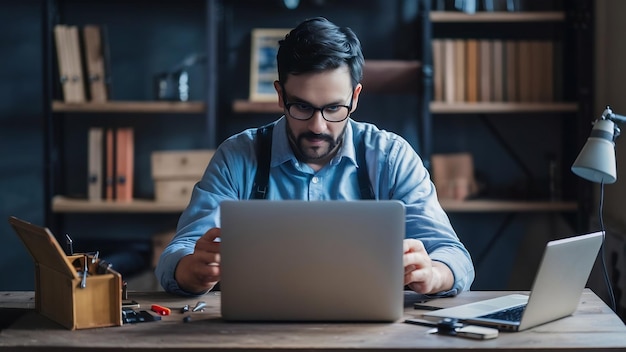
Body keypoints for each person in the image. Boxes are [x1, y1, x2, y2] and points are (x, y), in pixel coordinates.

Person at [156, 16, 475, 296]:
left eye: (334, 108)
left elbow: (454, 255)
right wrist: (192, 270)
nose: (318, 126)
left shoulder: (392, 157)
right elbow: (178, 252)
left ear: (355, 97)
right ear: (280, 96)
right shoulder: (237, 157)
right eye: (303, 106)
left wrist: (434, 273)